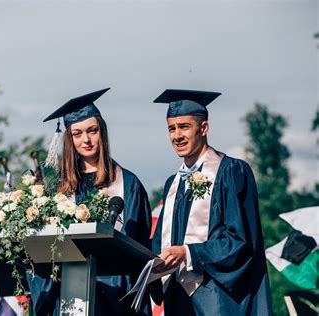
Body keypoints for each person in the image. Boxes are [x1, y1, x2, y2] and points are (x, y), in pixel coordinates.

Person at [27, 88, 152, 315]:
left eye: (92, 131)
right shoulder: (58, 188)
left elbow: (138, 245)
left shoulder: (128, 184)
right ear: (69, 139)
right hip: (65, 293)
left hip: (114, 294)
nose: (86, 140)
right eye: (77, 134)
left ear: (101, 132)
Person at [150, 89, 272, 315]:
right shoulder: (172, 184)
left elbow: (241, 241)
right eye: (171, 128)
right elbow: (159, 243)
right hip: (178, 299)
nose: (177, 135)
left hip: (218, 298)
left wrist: (188, 253)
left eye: (184, 126)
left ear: (204, 128)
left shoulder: (232, 172)